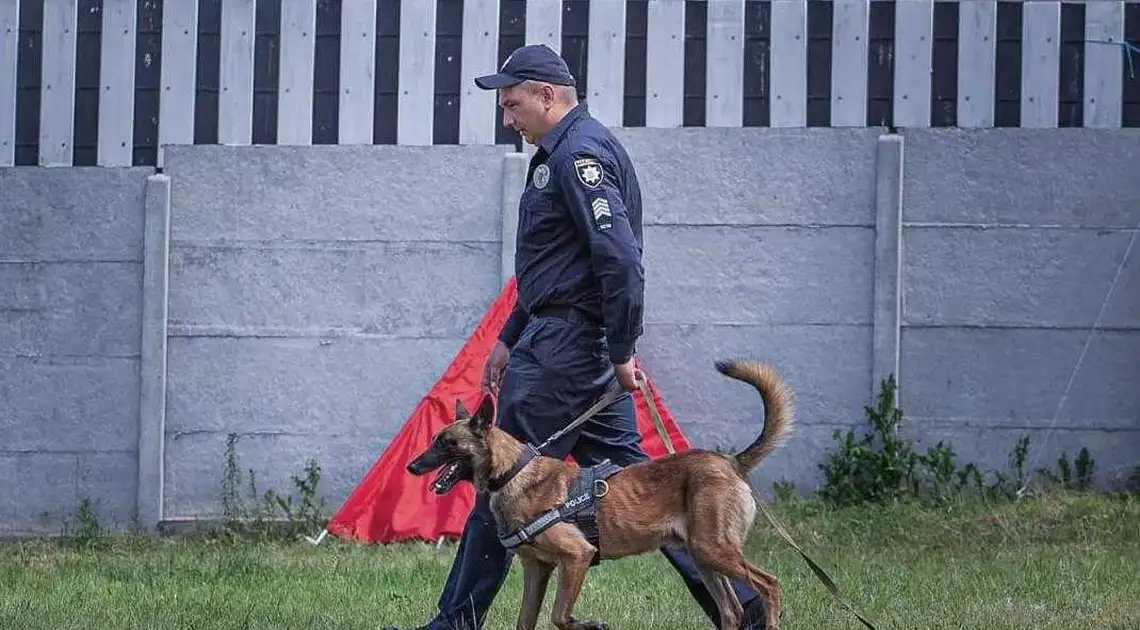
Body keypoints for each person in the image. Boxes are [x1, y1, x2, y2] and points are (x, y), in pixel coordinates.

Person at [384, 44, 768, 630]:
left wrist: (620, 350)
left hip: (566, 352)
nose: (508, 119)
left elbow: (618, 260)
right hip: (559, 339)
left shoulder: (580, 156)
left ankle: (453, 623)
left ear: (547, 94)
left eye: (513, 105)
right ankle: (744, 610)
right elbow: (554, 264)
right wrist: (512, 332)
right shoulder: (557, 154)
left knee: (499, 480)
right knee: (648, 493)